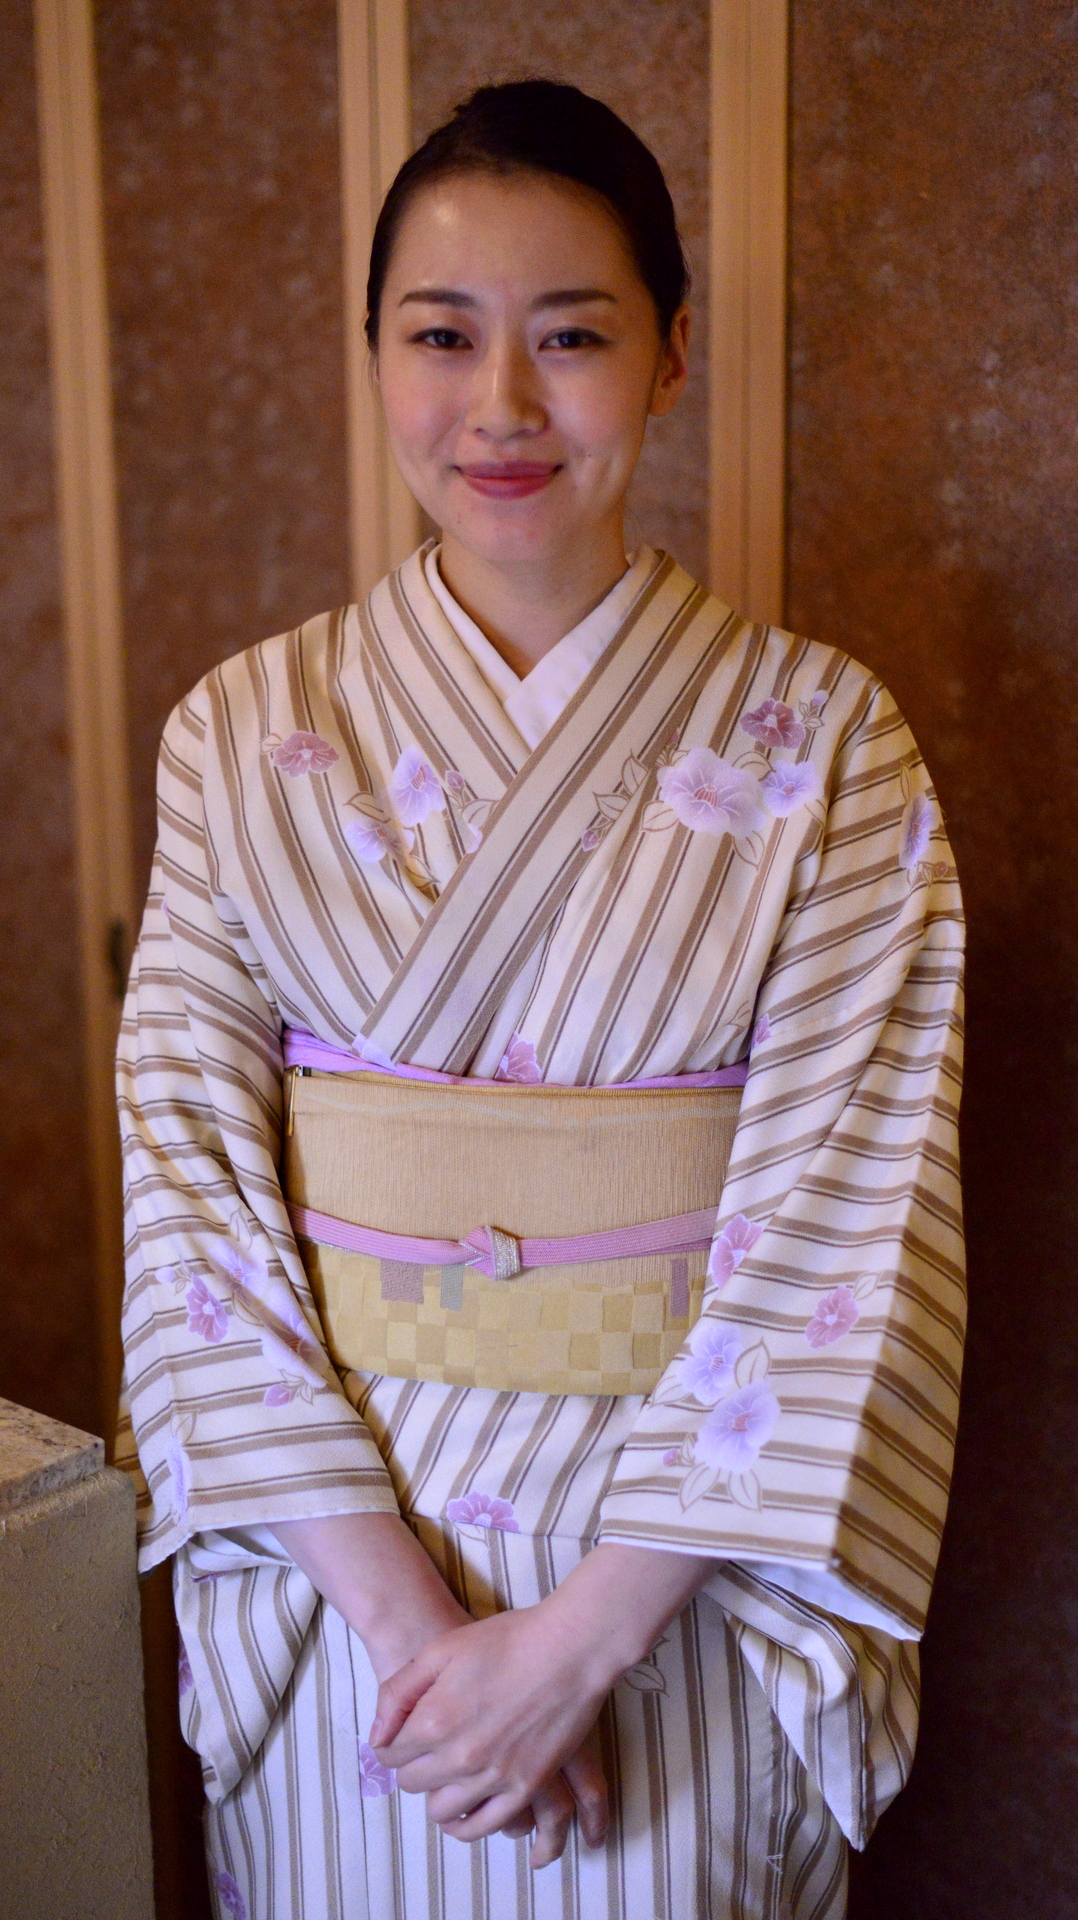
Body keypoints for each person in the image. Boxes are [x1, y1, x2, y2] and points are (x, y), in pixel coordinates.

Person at [116, 79, 965, 1920]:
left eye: (570, 336)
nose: (500, 404)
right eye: (441, 337)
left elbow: (856, 1221)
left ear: (669, 355)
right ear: (372, 355)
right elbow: (189, 1199)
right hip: (350, 1593)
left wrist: (578, 1644)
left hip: (676, 1589)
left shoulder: (829, 745)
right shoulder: (239, 736)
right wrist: (416, 1634)